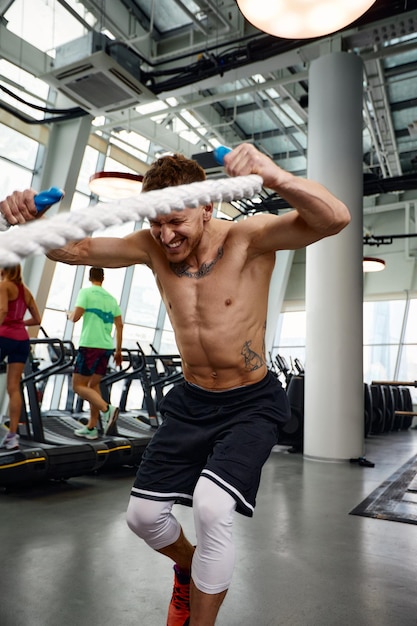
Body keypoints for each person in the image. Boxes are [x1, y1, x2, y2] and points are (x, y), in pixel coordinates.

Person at [0, 143, 351, 625]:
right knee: (143, 518)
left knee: (211, 507)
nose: (165, 235)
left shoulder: (248, 238)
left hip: (250, 401)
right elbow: (75, 248)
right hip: (190, 401)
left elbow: (334, 218)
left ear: (208, 207)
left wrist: (275, 177)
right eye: (156, 222)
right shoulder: (150, 246)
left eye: (177, 221)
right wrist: (26, 221)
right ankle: (190, 570)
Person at [67, 266, 123, 440]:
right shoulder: (112, 299)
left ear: (90, 277)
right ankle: (92, 427)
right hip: (106, 347)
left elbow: (75, 317)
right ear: (103, 278)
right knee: (93, 386)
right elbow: (120, 325)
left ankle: (107, 409)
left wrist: (69, 315)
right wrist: (118, 350)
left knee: (78, 386)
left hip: (90, 345)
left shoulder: (86, 293)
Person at [0, 264, 41, 450]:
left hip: (5, 336)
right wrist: (18, 322)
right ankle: (12, 436)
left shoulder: (4, 285)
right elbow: (37, 319)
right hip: (22, 340)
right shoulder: (25, 291)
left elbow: (2, 311)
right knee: (13, 387)